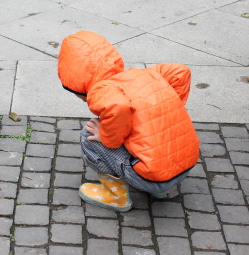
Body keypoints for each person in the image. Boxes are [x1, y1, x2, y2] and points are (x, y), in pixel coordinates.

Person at [57, 30, 199, 212]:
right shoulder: (144, 74)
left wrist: (106, 137)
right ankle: (160, 189)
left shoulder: (100, 90)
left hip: (154, 177)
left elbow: (118, 107)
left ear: (76, 84)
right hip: (186, 165)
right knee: (131, 126)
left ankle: (116, 196)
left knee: (89, 135)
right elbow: (180, 72)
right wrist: (167, 107)